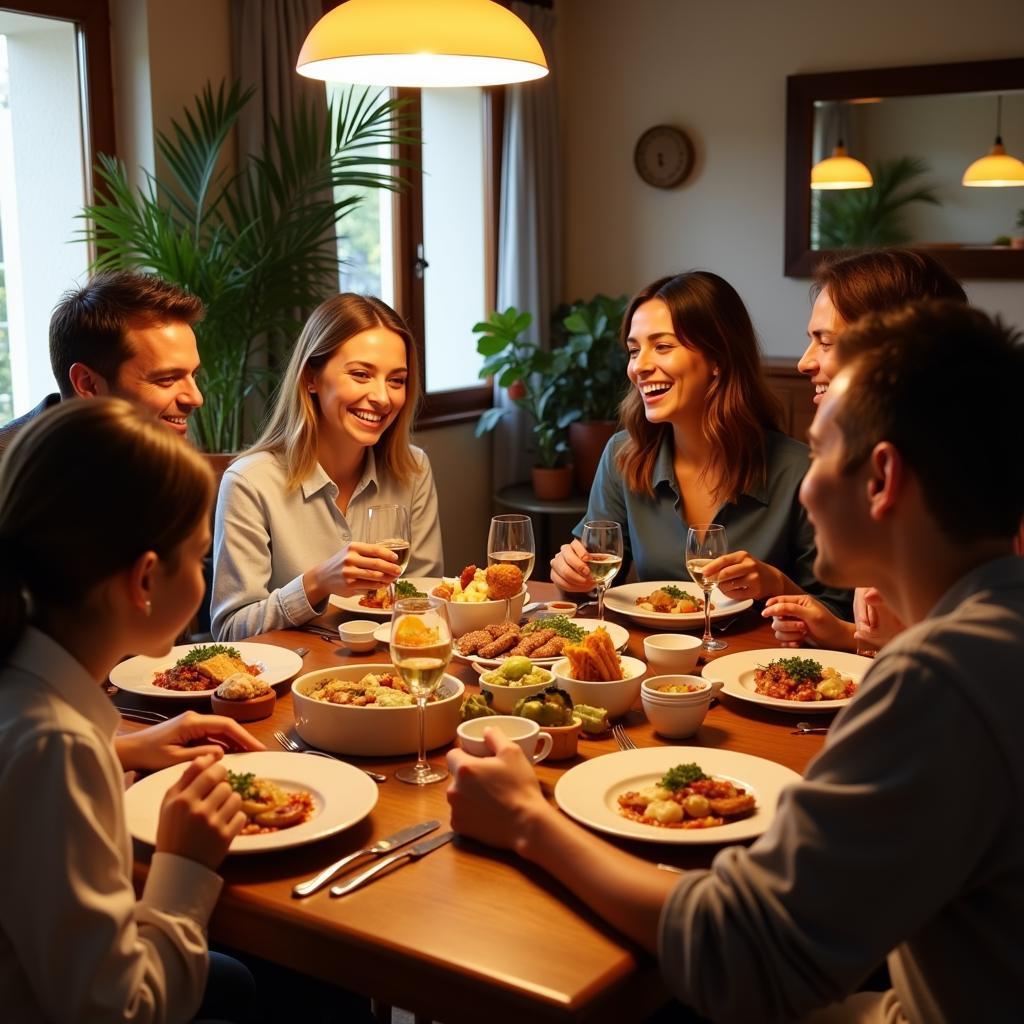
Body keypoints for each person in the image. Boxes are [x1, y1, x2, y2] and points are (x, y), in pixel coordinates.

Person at [447, 300, 1024, 1022]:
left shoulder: (942, 682)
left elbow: (745, 952)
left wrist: (527, 819)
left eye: (821, 451)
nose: (805, 485)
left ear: (881, 478)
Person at [0, 397, 265, 1022]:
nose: (204, 577)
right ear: (145, 581)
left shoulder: (29, 694)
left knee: (241, 985)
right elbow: (123, 1011)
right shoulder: (56, 748)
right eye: (200, 558)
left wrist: (125, 747)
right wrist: (184, 863)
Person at [550, 271, 849, 614]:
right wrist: (572, 578)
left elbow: (841, 616)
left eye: (662, 346)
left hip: (755, 664)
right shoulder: (622, 454)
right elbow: (597, 587)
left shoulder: (802, 470)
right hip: (653, 660)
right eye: (634, 351)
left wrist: (777, 585)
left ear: (718, 359)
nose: (639, 367)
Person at [767, 248, 968, 650]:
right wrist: (840, 633)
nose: (805, 363)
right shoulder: (877, 474)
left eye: (825, 342)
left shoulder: (968, 503)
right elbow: (894, 643)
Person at [211, 293, 443, 641]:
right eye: (361, 374)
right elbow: (229, 631)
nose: (382, 397)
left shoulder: (413, 469)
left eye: (396, 380)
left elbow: (426, 601)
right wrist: (316, 583)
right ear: (310, 379)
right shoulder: (250, 481)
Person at [0, 270, 205, 454]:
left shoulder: (163, 458)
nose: (196, 398)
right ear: (87, 384)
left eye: (193, 374)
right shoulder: (10, 474)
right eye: (167, 379)